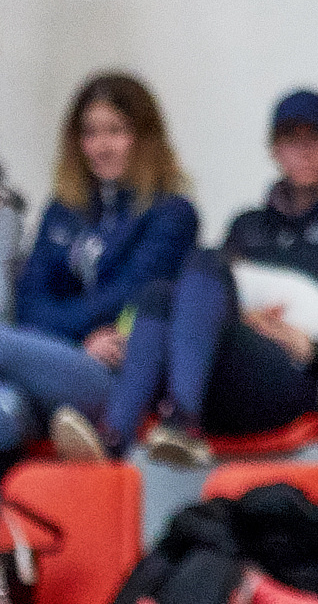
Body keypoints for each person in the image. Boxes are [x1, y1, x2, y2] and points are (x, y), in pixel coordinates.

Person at [71, 90, 318, 467]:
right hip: (231, 365)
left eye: (317, 138)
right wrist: (248, 319)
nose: (304, 150)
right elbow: (209, 301)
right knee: (163, 292)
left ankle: (178, 422)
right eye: (292, 139)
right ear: (274, 149)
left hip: (299, 373)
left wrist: (315, 348)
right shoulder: (250, 225)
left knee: (203, 265)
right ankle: (115, 439)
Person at [0, 74, 198, 459]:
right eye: (89, 133)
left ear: (144, 137)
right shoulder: (63, 210)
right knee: (5, 409)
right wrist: (79, 338)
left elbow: (126, 297)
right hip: (55, 364)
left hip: (115, 379)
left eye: (116, 131)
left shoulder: (172, 214)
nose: (100, 146)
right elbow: (29, 300)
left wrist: (64, 333)